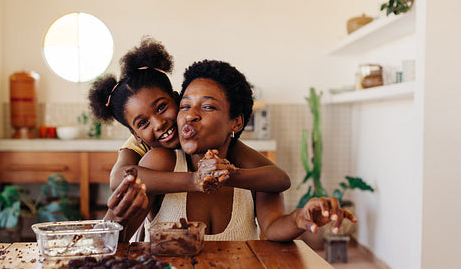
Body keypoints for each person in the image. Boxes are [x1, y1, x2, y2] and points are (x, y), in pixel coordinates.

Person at [88, 38, 291, 235]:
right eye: (143, 123)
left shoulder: (230, 150)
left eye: (162, 107)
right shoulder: (150, 153)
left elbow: (280, 179)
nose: (159, 124)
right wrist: (195, 180)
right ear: (136, 134)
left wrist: (226, 175)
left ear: (175, 99)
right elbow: (119, 178)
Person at [138, 59, 356, 242]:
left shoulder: (253, 175)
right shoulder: (162, 162)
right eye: (185, 106)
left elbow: (273, 226)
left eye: (208, 107)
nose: (190, 115)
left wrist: (299, 218)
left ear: (236, 123)